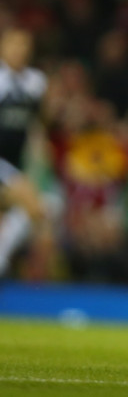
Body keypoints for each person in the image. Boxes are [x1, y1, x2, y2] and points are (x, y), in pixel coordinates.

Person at [0, 27, 54, 277]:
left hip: (17, 162)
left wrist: (39, 164)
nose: (19, 50)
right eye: (13, 44)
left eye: (24, 45)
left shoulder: (36, 82)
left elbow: (39, 126)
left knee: (32, 214)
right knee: (36, 208)